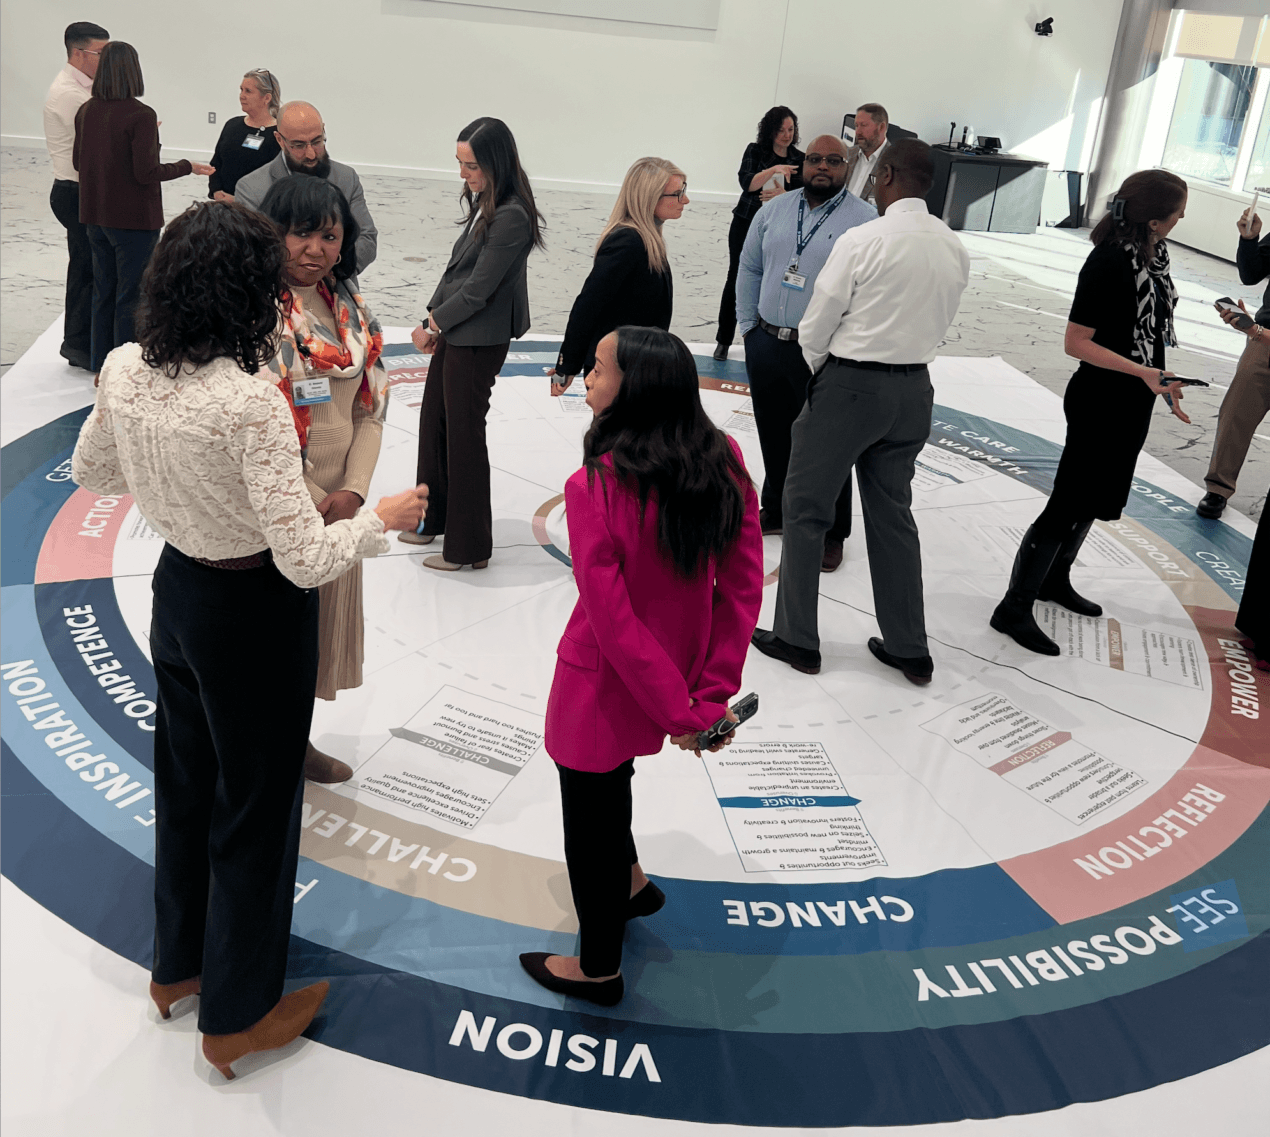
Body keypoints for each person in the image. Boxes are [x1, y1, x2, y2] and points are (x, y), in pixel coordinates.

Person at [70, 201, 428, 1081]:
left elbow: (91, 472)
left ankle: (178, 966)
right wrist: (378, 523)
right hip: (256, 612)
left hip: (179, 595)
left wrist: (166, 480)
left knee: (186, 787)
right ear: (248, 292)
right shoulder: (249, 403)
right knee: (257, 813)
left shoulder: (124, 367)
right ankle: (238, 1012)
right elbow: (305, 559)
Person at [519, 327, 763, 1006]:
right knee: (611, 781)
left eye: (598, 369)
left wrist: (686, 711)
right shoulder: (726, 456)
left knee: (587, 813)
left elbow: (612, 618)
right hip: (677, 676)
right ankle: (630, 882)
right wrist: (705, 697)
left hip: (604, 680)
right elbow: (742, 588)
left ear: (635, 387)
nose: (587, 379)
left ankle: (597, 967)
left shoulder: (592, 483)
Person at [751, 140, 970, 684]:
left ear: (888, 174)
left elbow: (817, 324)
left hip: (852, 386)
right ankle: (908, 647)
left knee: (804, 511)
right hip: (915, 390)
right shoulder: (952, 244)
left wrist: (829, 372)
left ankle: (797, 638)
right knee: (894, 516)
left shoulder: (863, 238)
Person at [990, 170, 1190, 656]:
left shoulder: (1154, 259)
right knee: (1068, 500)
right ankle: (1013, 607)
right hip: (1100, 398)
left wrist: (1158, 378)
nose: (1183, 218)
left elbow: (1151, 333)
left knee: (1096, 497)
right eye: (1179, 210)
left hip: (1133, 397)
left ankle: (1054, 580)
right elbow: (1076, 343)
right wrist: (1140, 371)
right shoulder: (1107, 262)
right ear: (1156, 220)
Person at [260, 177, 388, 784]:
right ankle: (264, 748)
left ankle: (296, 742)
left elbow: (372, 409)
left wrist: (354, 492)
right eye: (301, 232)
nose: (315, 247)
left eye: (329, 235)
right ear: (272, 232)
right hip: (283, 501)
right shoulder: (255, 313)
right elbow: (257, 425)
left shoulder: (352, 312)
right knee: (277, 637)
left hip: (341, 505)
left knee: (317, 633)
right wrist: (314, 502)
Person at [403, 117, 544, 571]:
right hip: (459, 332)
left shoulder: (511, 216)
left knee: (462, 439)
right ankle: (434, 521)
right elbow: (456, 271)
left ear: (495, 163)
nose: (463, 174)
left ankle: (468, 548)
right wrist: (433, 317)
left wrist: (435, 325)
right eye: (460, 164)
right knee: (435, 427)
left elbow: (478, 290)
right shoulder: (488, 202)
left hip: (477, 340)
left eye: (471, 166)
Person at [735, 134, 877, 571]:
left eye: (833, 161)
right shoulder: (775, 209)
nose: (822, 167)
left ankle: (833, 532)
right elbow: (750, 267)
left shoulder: (865, 220)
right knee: (774, 431)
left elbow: (867, 291)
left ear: (846, 168)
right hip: (767, 341)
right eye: (814, 158)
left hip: (822, 353)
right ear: (803, 164)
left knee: (828, 445)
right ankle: (777, 510)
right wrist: (747, 329)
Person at [73, 41, 214, 373]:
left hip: (95, 216)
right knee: (132, 294)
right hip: (134, 220)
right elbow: (146, 173)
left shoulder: (86, 110)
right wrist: (186, 165)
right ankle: (125, 370)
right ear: (133, 70)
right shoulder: (141, 115)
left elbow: (80, 162)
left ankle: (100, 363)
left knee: (103, 291)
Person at [547, 157, 688, 394]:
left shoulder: (648, 239)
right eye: (677, 193)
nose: (685, 200)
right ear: (649, 197)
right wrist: (567, 365)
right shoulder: (628, 242)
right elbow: (588, 304)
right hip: (617, 367)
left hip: (634, 364)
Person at [234, 101, 377, 275]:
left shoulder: (346, 177)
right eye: (299, 145)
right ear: (280, 140)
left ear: (324, 131)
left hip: (338, 284)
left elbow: (367, 238)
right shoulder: (251, 188)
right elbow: (255, 252)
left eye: (317, 141)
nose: (311, 154)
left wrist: (329, 272)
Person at [43, 20, 110, 371]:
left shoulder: (85, 88)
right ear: (79, 53)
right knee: (88, 268)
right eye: (102, 53)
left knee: (87, 267)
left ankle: (81, 341)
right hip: (75, 191)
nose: (106, 60)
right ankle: (79, 344)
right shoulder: (70, 94)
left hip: (83, 190)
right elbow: (94, 146)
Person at [713, 106, 804, 361]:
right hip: (746, 222)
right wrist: (774, 170)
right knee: (736, 278)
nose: (787, 135)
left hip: (781, 228)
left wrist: (785, 195)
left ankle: (759, 340)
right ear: (770, 131)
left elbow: (807, 198)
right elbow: (748, 183)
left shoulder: (801, 159)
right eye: (781, 130)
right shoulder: (755, 151)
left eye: (791, 130)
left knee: (772, 280)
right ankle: (723, 339)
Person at [1196, 204, 1268, 520]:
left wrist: (1256, 329)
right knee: (1235, 415)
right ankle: (1217, 489)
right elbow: (1251, 274)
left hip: (1263, 333)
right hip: (1264, 341)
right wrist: (1250, 240)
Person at [207, 69, 282, 201]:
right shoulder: (232, 125)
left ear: (267, 98)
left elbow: (278, 182)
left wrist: (240, 202)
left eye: (248, 91)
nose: (242, 96)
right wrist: (216, 191)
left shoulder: (279, 134)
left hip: (257, 213)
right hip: (222, 206)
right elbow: (216, 163)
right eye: (241, 90)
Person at [844, 103, 891, 207]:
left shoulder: (894, 162)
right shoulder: (847, 154)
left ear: (881, 127)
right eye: (856, 126)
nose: (858, 132)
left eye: (864, 125)